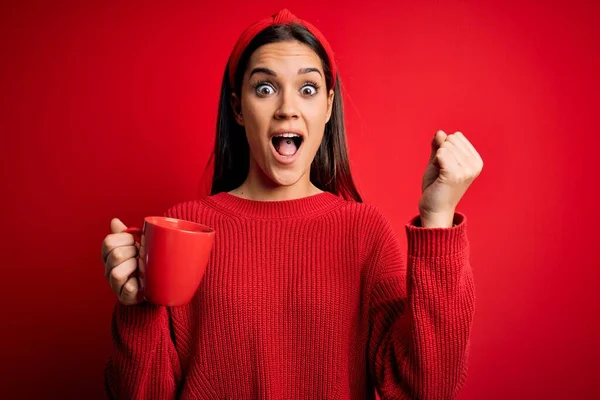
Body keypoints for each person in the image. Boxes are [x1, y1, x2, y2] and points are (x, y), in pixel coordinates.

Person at [101, 8, 483, 400]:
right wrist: (136, 305)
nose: (286, 107)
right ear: (237, 108)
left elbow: (426, 388)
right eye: (265, 88)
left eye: (308, 89)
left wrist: (437, 219)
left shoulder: (363, 232)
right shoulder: (182, 228)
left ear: (329, 106)